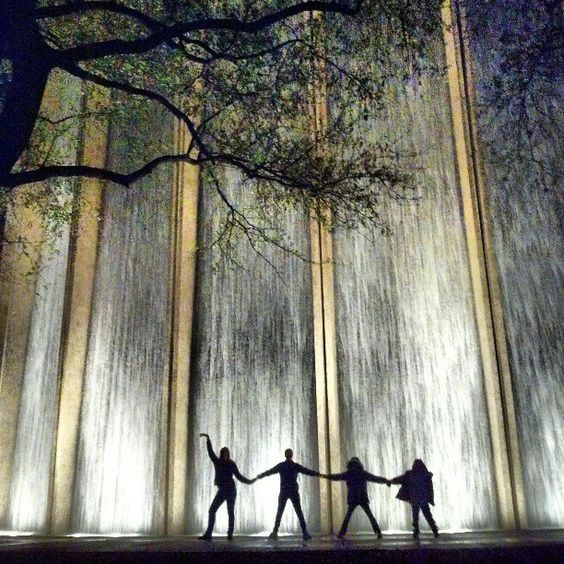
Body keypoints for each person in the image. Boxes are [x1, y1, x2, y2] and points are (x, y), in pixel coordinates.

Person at [198, 433, 254, 541]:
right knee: (212, 510)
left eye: (226, 453)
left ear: (228, 454)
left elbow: (238, 476)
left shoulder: (231, 463)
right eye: (223, 453)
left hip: (231, 490)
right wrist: (208, 439)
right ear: (221, 454)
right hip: (223, 490)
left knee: (230, 511)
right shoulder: (217, 462)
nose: (225, 455)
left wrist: (248, 481)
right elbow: (210, 453)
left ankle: (229, 533)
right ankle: (209, 534)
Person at [256, 448, 319, 540]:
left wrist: (261, 475)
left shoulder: (281, 466)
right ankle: (305, 532)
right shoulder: (295, 466)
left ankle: (275, 532)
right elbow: (306, 471)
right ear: (292, 455)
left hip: (284, 490)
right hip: (293, 491)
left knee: (280, 512)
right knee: (299, 512)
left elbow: (270, 471)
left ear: (285, 455)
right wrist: (317, 474)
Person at [321, 456, 388, 539]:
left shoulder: (349, 474)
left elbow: (336, 477)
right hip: (362, 497)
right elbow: (375, 478)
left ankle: (342, 533)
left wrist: (326, 476)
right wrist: (385, 481)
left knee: (348, 517)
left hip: (353, 498)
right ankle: (378, 532)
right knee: (370, 515)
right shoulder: (362, 473)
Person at [389, 459, 439, 540]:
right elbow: (430, 489)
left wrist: (390, 481)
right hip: (423, 499)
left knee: (415, 516)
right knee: (428, 515)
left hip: (415, 499)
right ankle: (434, 530)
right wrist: (430, 498)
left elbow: (400, 479)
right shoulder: (426, 475)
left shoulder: (410, 474)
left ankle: (416, 531)